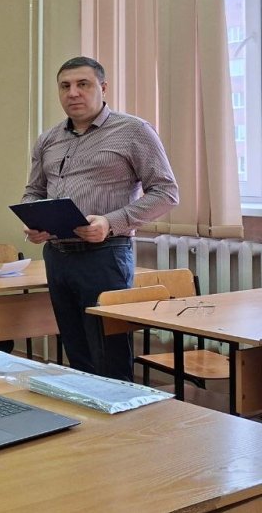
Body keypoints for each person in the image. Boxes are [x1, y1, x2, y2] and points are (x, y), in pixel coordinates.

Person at [22, 56, 178, 381]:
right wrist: (34, 220)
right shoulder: (48, 139)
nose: (73, 93)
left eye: (83, 84)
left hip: (105, 255)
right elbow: (33, 191)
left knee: (110, 356)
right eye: (65, 86)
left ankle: (119, 413)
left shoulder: (133, 131)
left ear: (103, 87)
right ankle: (85, 414)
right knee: (76, 352)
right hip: (57, 256)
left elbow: (166, 192)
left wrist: (110, 222)